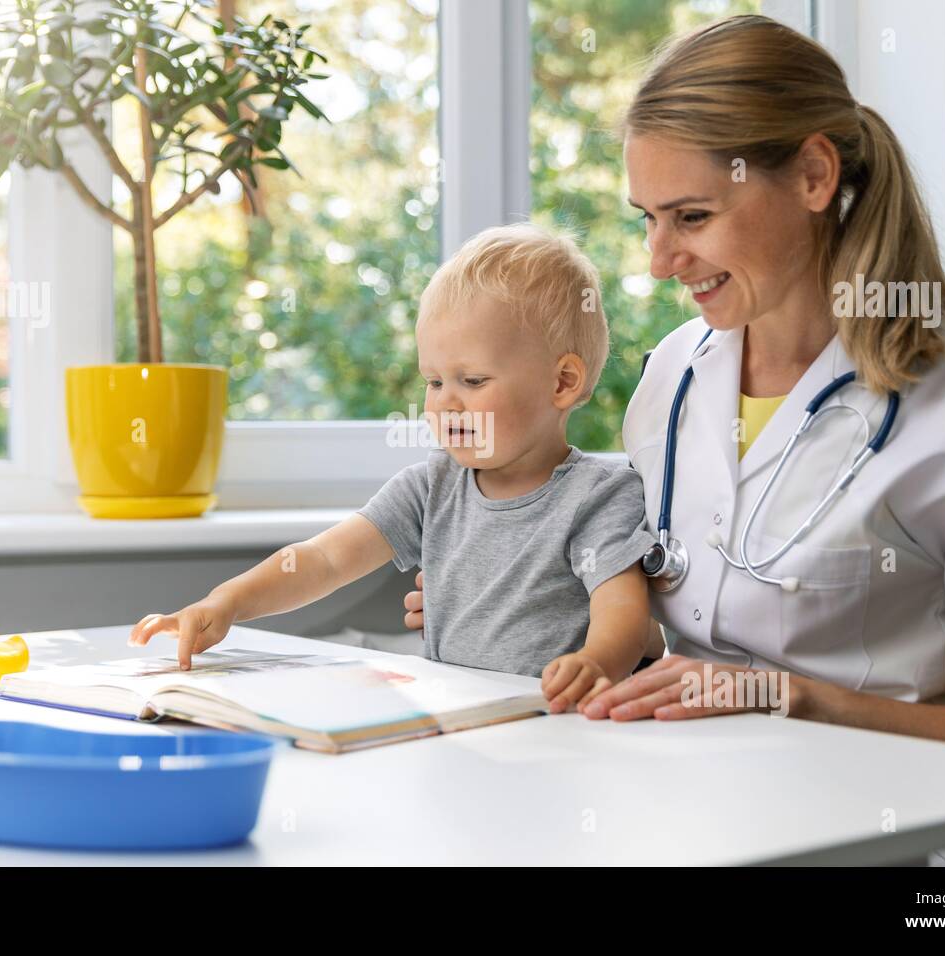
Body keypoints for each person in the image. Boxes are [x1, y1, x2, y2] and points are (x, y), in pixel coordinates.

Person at [404, 16, 945, 866]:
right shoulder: (673, 380)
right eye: (648, 218)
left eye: (692, 215)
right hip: (692, 814)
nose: (659, 260)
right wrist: (517, 598)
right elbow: (674, 632)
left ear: (812, 174)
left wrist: (783, 697)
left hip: (898, 848)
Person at [130, 224, 656, 714]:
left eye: (472, 382)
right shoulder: (431, 486)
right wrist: (226, 603)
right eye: (433, 382)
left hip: (557, 723)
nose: (445, 404)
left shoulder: (597, 496)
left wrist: (595, 665)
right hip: (460, 717)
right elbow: (322, 560)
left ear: (562, 382)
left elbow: (624, 614)